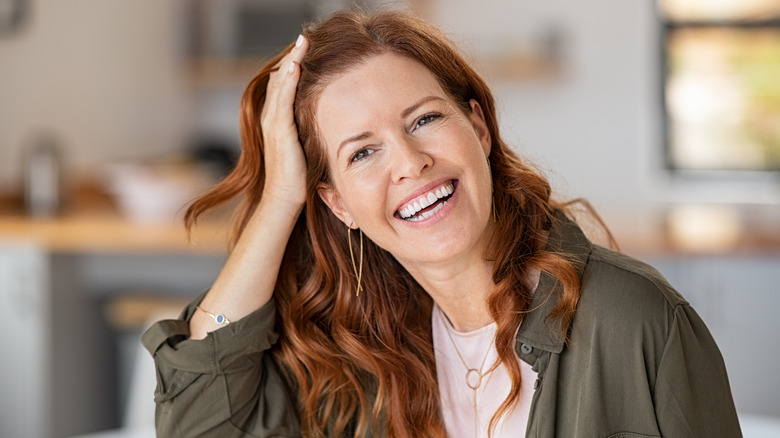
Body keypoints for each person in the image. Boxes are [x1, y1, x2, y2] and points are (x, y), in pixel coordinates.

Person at [142, 8, 742, 438]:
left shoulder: (635, 320)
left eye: (424, 120)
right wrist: (279, 200)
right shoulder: (361, 358)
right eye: (363, 152)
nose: (410, 163)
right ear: (338, 204)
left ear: (478, 129)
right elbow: (196, 425)